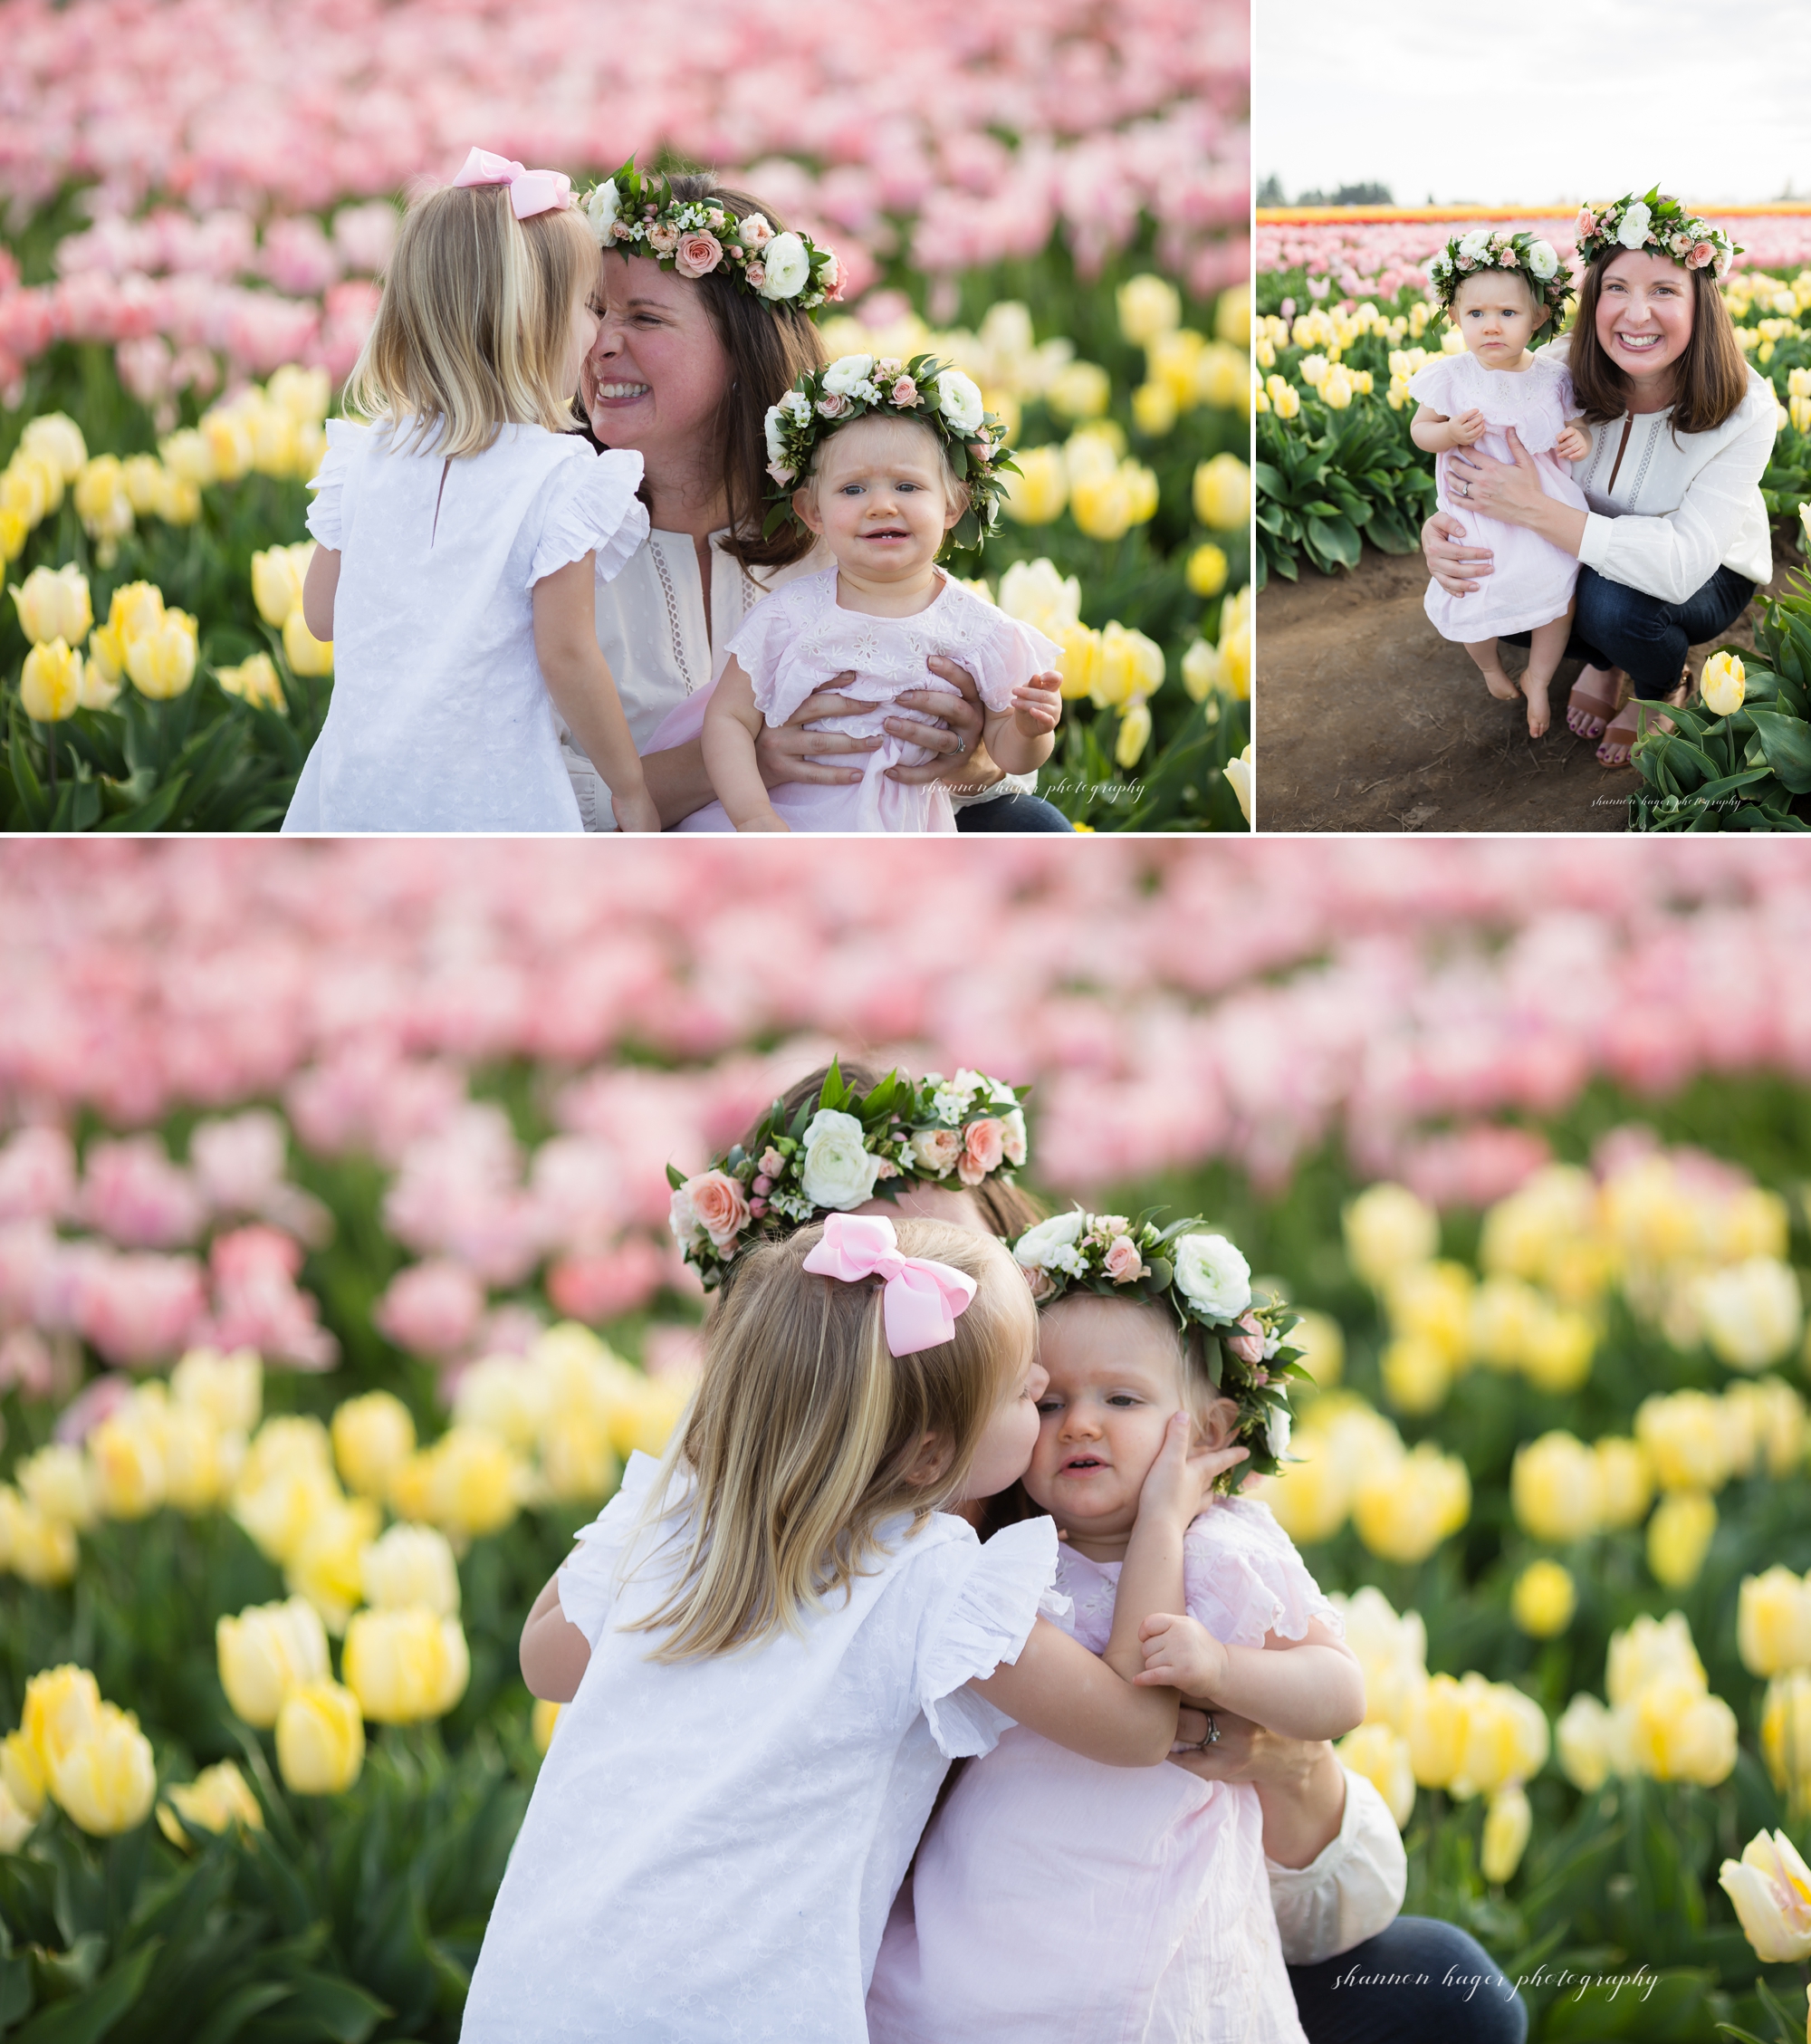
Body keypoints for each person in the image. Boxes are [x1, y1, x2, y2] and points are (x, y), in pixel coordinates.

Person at [681, 1058, 1528, 2044]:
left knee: (1439, 1984)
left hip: (1138, 1955)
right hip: (890, 1992)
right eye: (874, 1294)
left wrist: (1280, 1760)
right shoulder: (770, 1539)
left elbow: (1331, 1897)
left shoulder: (1099, 1490)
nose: (924, 1325)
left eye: (949, 1278)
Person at [464, 1213, 1232, 2042]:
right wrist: (1160, 1518)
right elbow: (1134, 1726)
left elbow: (546, 1660)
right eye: (1027, 1394)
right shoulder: (923, 1577)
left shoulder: (683, 1524)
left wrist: (677, 1484)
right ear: (931, 1459)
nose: (1045, 1394)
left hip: (533, 1996)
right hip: (731, 2016)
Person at [868, 1211, 1365, 2043]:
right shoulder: (1002, 1564)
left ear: (1210, 1431)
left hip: (1154, 1928)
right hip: (997, 1921)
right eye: (1049, 1400)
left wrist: (1225, 1668)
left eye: (1122, 1399)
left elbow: (1339, 1692)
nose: (1081, 1424)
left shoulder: (1223, 1552)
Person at [561, 158, 1075, 830]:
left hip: (865, 829)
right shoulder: (552, 531)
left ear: (742, 351)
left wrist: (967, 749)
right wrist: (755, 760)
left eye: (646, 318)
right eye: (593, 311)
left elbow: (993, 756)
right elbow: (521, 794)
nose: (601, 341)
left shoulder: (841, 512)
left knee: (1029, 826)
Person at [283, 149, 656, 832]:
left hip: (354, 792)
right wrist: (629, 786)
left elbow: (322, 614)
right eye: (589, 305)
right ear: (531, 322)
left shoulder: (364, 457)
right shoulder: (557, 477)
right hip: (491, 797)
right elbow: (567, 653)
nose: (598, 329)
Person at [1422, 189, 1774, 767]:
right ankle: (1606, 661)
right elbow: (1469, 456)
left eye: (1663, 290)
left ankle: (1661, 684)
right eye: (1617, 289)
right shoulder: (1551, 373)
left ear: (1699, 303)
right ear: (1593, 297)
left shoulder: (1745, 407)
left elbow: (1682, 564)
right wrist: (1440, 531)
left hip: (1707, 573)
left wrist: (1532, 511)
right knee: (1498, 579)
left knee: (1612, 605)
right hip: (1580, 544)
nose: (1637, 315)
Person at [690, 358, 1062, 830]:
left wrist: (1031, 730)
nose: (881, 505)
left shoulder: (980, 630)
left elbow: (1008, 752)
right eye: (852, 489)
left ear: (952, 504)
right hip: (790, 823)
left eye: (907, 486)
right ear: (812, 511)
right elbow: (728, 720)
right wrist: (753, 816)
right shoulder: (790, 615)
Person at [1409, 231, 1588, 738]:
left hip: (1542, 506)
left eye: (1508, 315)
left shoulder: (1553, 377)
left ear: (1537, 318)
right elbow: (1420, 432)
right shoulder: (1451, 376)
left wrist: (1578, 441)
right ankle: (1489, 666)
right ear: (1454, 318)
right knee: (1472, 587)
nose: (1491, 327)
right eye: (1476, 315)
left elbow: (1574, 425)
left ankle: (1539, 675)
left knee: (1559, 590)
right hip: (1475, 513)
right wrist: (1446, 433)